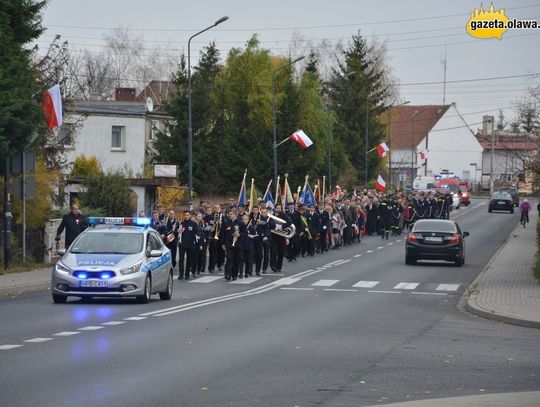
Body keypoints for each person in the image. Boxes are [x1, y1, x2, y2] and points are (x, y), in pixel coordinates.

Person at [178, 211, 200, 280]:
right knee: (181, 259)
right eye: (185, 215)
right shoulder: (181, 223)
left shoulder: (193, 224)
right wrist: (178, 231)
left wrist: (198, 235)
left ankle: (187, 274)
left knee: (189, 260)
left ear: (190, 216)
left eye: (187, 215)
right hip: (182, 244)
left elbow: (198, 231)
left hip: (190, 244)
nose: (186, 216)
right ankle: (181, 274)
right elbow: (177, 231)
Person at [221, 210, 242, 281]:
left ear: (235, 214)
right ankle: (227, 274)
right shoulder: (226, 223)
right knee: (229, 259)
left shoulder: (240, 223)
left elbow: (245, 233)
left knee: (236, 260)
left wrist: (239, 235)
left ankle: (234, 275)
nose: (229, 215)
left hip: (237, 244)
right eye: (229, 214)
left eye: (231, 214)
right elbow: (223, 233)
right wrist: (223, 243)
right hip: (228, 243)